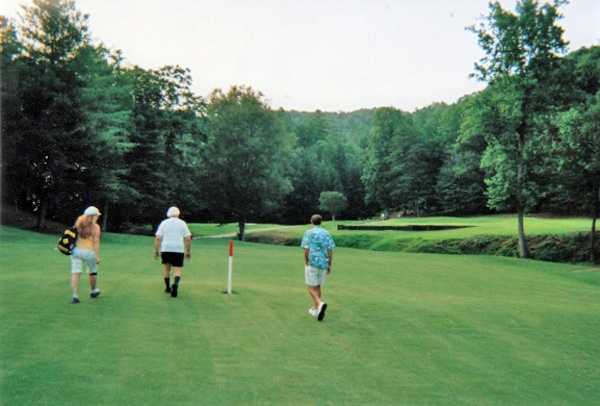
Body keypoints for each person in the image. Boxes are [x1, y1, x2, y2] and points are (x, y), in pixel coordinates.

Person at [301, 214, 336, 321]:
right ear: (321, 222)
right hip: (323, 262)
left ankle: (320, 303)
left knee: (311, 286)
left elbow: (306, 249)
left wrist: (306, 261)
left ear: (311, 222)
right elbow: (330, 250)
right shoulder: (326, 233)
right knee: (318, 286)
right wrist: (329, 264)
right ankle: (315, 308)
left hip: (312, 262)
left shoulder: (308, 233)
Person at [154, 207, 192, 298]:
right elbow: (187, 238)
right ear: (178, 214)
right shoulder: (182, 223)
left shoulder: (164, 223)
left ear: (169, 214)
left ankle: (167, 287)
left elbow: (158, 238)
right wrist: (188, 251)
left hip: (166, 248)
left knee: (167, 268)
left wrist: (156, 251)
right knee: (177, 269)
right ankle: (175, 283)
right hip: (178, 248)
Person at [70, 206, 102, 304]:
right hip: (89, 252)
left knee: (76, 272)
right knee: (92, 271)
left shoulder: (78, 224)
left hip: (77, 251)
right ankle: (93, 291)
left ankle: (75, 295)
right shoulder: (96, 227)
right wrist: (97, 256)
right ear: (93, 216)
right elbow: (95, 241)